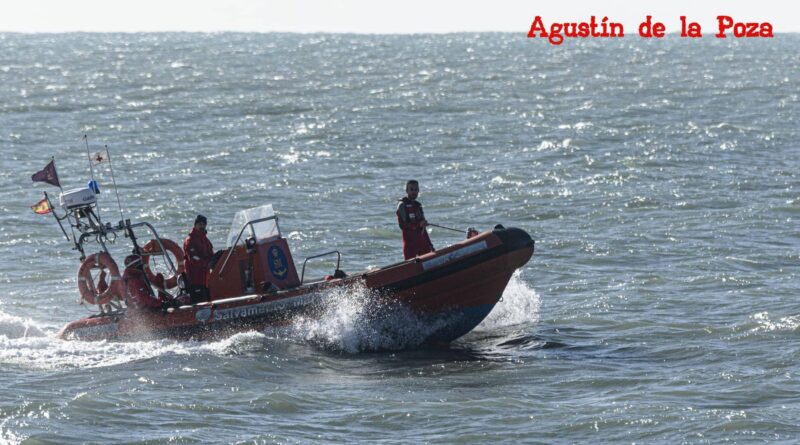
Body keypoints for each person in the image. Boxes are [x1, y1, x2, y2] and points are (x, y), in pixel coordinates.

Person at [396, 180, 435, 260]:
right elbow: (403, 225)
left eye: (416, 189)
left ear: (418, 191)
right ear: (407, 190)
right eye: (411, 189)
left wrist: (430, 245)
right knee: (410, 265)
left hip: (422, 243)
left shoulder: (418, 206)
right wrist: (418, 224)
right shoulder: (402, 205)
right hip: (410, 245)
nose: (414, 192)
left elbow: (423, 229)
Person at [184, 214, 214, 302]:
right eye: (200, 224)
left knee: (208, 297)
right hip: (194, 278)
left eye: (204, 224)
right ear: (195, 225)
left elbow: (211, 254)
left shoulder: (206, 240)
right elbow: (194, 259)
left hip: (206, 278)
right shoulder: (190, 241)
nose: (202, 226)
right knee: (198, 300)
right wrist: (207, 264)